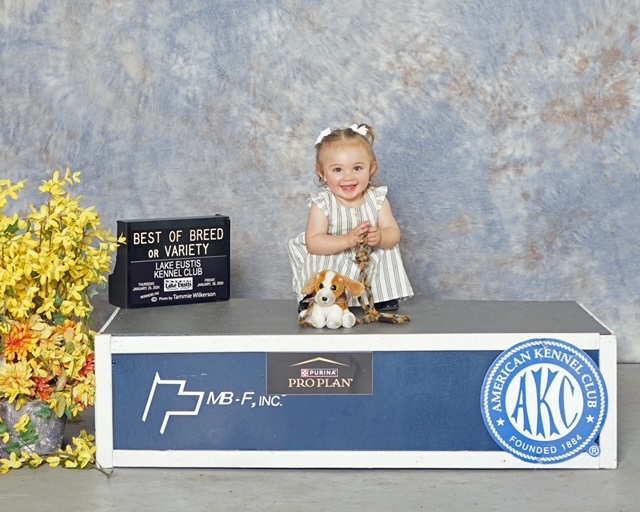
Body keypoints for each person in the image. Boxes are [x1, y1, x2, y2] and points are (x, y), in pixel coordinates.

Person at [288, 123, 413, 312]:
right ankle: (316, 296)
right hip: (334, 256)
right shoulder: (323, 203)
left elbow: (394, 233)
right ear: (322, 173)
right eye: (338, 170)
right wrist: (347, 240)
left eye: (357, 168)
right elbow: (314, 242)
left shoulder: (377, 199)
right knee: (320, 256)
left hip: (365, 257)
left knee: (387, 248)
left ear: (371, 169)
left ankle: (382, 296)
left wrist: (381, 237)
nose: (348, 177)